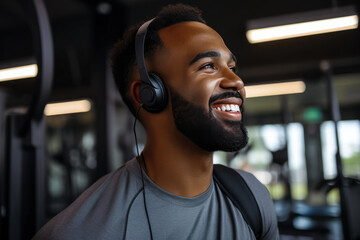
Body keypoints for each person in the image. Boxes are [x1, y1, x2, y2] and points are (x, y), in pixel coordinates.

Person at [33, 4, 279, 240]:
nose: (236, 81)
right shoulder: (81, 233)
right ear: (150, 94)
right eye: (208, 66)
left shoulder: (252, 198)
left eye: (232, 67)